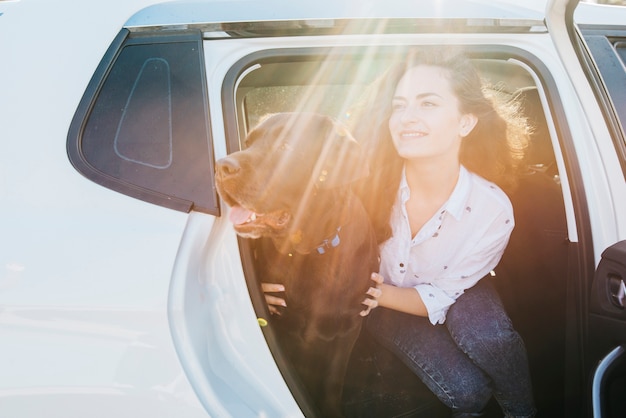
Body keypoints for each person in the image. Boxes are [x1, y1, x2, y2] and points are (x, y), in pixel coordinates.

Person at [264, 47, 536, 418]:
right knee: (466, 393)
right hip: (373, 300)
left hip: (451, 287)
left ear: (465, 122)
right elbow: (300, 234)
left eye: (428, 104)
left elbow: (446, 292)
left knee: (490, 340)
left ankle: (525, 410)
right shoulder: (358, 185)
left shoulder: (492, 210)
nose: (407, 118)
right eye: (399, 105)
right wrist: (265, 279)